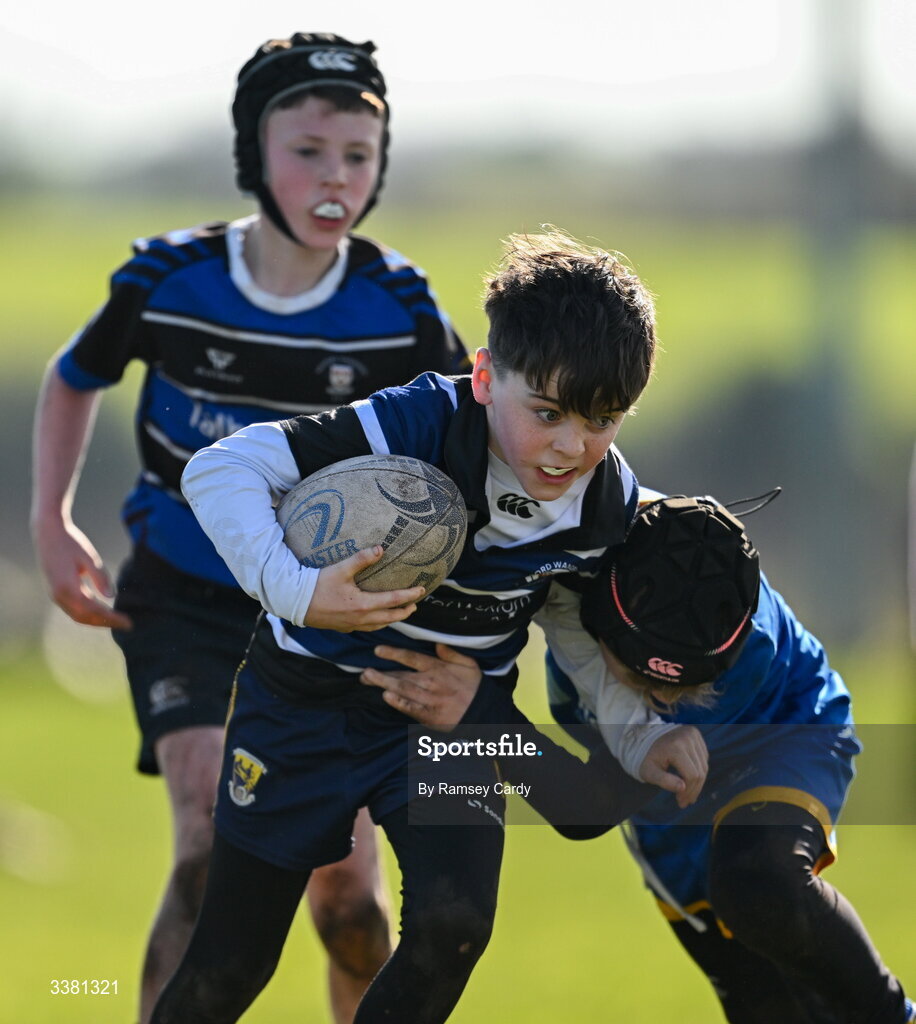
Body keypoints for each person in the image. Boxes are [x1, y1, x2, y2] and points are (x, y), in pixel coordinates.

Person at [151, 229, 708, 1023]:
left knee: (453, 928)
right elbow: (220, 468)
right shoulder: (414, 426)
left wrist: (638, 734)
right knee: (230, 965)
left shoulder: (605, 503)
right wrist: (298, 592)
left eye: (603, 420)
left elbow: (580, 637)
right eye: (546, 411)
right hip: (303, 707)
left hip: (449, 733)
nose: (570, 446)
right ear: (484, 377)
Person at [30, 32, 469, 1024]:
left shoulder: (397, 306)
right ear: (253, 153)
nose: (334, 177)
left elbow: (469, 438)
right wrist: (52, 523)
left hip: (338, 620)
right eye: (308, 149)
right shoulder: (168, 278)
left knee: (347, 896)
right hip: (185, 597)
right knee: (203, 840)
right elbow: (73, 378)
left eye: (357, 155)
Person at [364, 494, 915, 1023]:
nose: (662, 700)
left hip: (780, 733)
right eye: (639, 678)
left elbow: (585, 808)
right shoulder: (582, 570)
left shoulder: (729, 645)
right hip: (669, 801)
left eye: (681, 686)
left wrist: (481, 714)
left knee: (758, 882)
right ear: (597, 621)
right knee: (766, 1004)